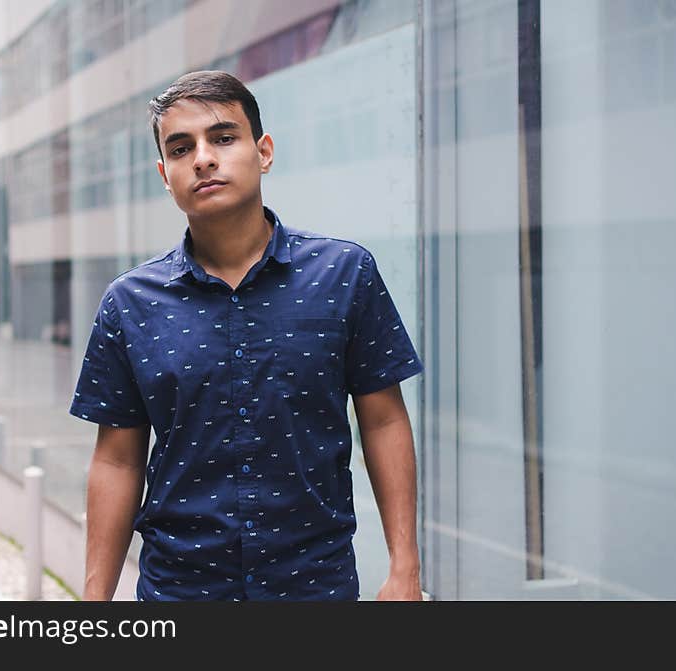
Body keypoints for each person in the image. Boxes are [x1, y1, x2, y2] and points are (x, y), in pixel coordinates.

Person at [70, 70, 424, 601]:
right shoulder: (130, 303)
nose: (204, 158)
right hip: (180, 592)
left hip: (315, 588)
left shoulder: (345, 274)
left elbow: (384, 419)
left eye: (223, 138)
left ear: (264, 151)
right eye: (182, 147)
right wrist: (94, 601)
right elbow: (117, 460)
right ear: (165, 175)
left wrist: (405, 568)